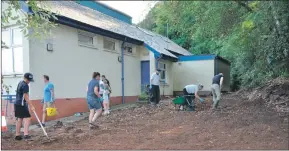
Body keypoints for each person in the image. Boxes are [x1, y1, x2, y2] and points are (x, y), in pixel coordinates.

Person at [14, 73, 35, 141]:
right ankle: (26, 134)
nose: (29, 81)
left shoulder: (20, 82)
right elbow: (26, 96)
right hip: (22, 104)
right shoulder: (25, 85)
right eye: (28, 80)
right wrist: (31, 106)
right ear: (25, 78)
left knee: (19, 119)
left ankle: (17, 135)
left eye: (30, 80)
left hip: (17, 103)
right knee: (28, 118)